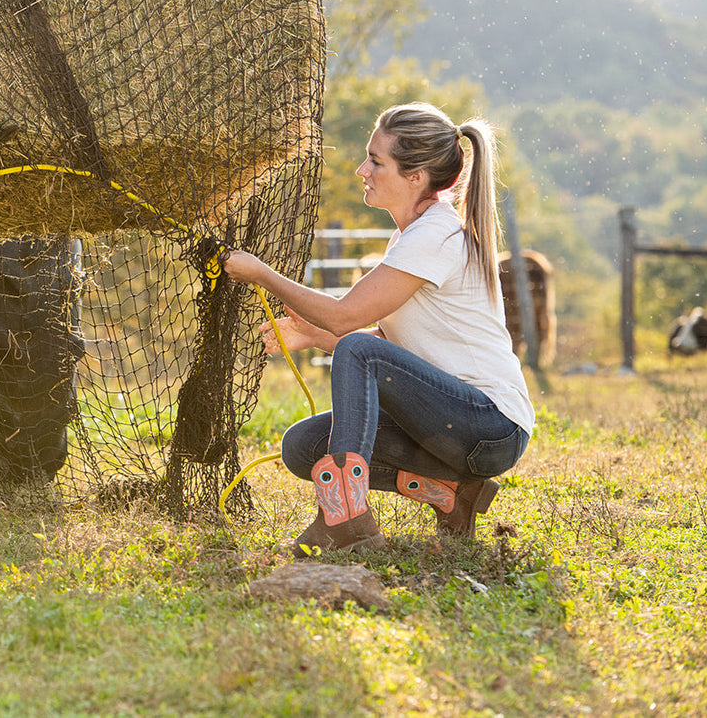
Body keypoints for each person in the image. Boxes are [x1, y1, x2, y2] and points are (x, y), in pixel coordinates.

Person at [222, 102, 534, 554]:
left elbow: (349, 320)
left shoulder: (435, 236)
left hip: (490, 426)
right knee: (303, 445)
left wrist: (263, 274)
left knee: (357, 350)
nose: (360, 169)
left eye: (376, 161)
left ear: (416, 176)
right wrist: (314, 335)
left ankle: (346, 515)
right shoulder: (413, 237)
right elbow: (392, 347)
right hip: (453, 420)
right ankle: (451, 493)